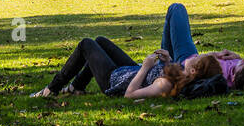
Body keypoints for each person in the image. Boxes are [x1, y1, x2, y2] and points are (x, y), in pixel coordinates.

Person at [30, 36, 219, 99]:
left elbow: (130, 94)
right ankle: (76, 87)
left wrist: (145, 67)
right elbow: (165, 73)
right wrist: (167, 61)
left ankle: (52, 89)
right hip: (130, 71)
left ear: (194, 70)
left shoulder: (165, 85)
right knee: (100, 42)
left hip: (115, 80)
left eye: (197, 58)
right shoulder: (180, 74)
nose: (194, 56)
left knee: (87, 44)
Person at [157, 2, 244, 92]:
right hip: (191, 57)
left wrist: (211, 55)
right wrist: (238, 57)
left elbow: (194, 71)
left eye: (242, 63)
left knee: (177, 9)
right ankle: (162, 63)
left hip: (187, 60)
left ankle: (162, 66)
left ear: (234, 78)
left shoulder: (220, 77)